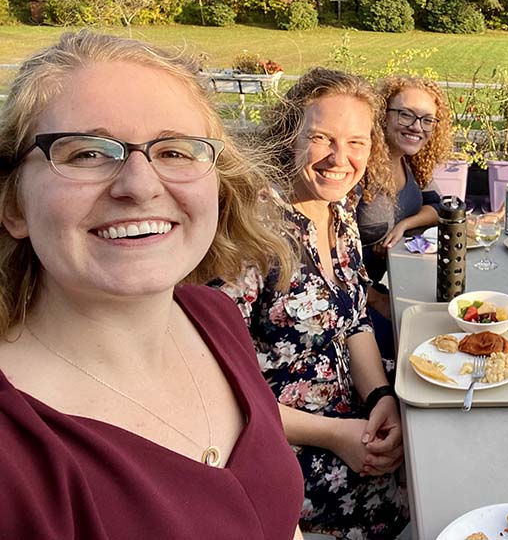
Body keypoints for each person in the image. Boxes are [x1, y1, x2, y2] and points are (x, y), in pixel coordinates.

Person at [0, 31, 305, 539]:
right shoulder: (15, 457)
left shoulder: (215, 318)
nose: (139, 185)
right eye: (87, 154)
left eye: (175, 152)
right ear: (13, 205)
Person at [221, 68, 408, 539]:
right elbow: (219, 389)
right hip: (283, 442)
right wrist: (339, 436)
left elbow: (356, 322)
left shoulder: (340, 212)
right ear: (290, 136)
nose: (339, 158)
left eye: (357, 143)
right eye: (321, 138)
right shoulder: (253, 236)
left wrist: (380, 397)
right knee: (425, 485)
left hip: (350, 411)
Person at [357, 75, 452, 333]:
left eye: (427, 120)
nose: (416, 127)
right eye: (405, 115)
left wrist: (404, 224)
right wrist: (377, 300)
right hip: (355, 297)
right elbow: (327, 257)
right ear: (382, 115)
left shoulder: (411, 161)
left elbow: (439, 207)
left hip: (388, 281)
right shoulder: (358, 167)